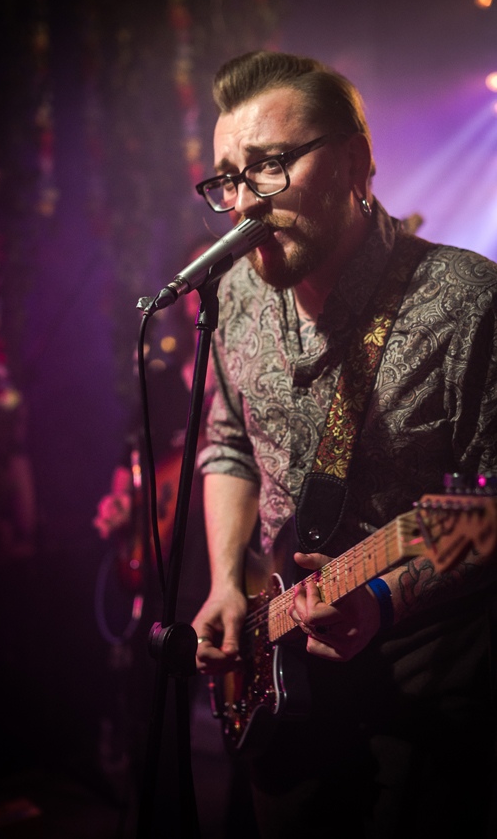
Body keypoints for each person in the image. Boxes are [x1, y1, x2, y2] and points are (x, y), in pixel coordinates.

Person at [191, 50, 497, 839]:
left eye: (269, 167)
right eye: (228, 178)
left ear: (357, 163)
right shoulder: (235, 296)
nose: (242, 204)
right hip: (281, 685)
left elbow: (495, 507)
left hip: (430, 688)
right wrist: (225, 582)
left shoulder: (467, 303)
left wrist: (385, 599)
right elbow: (227, 444)